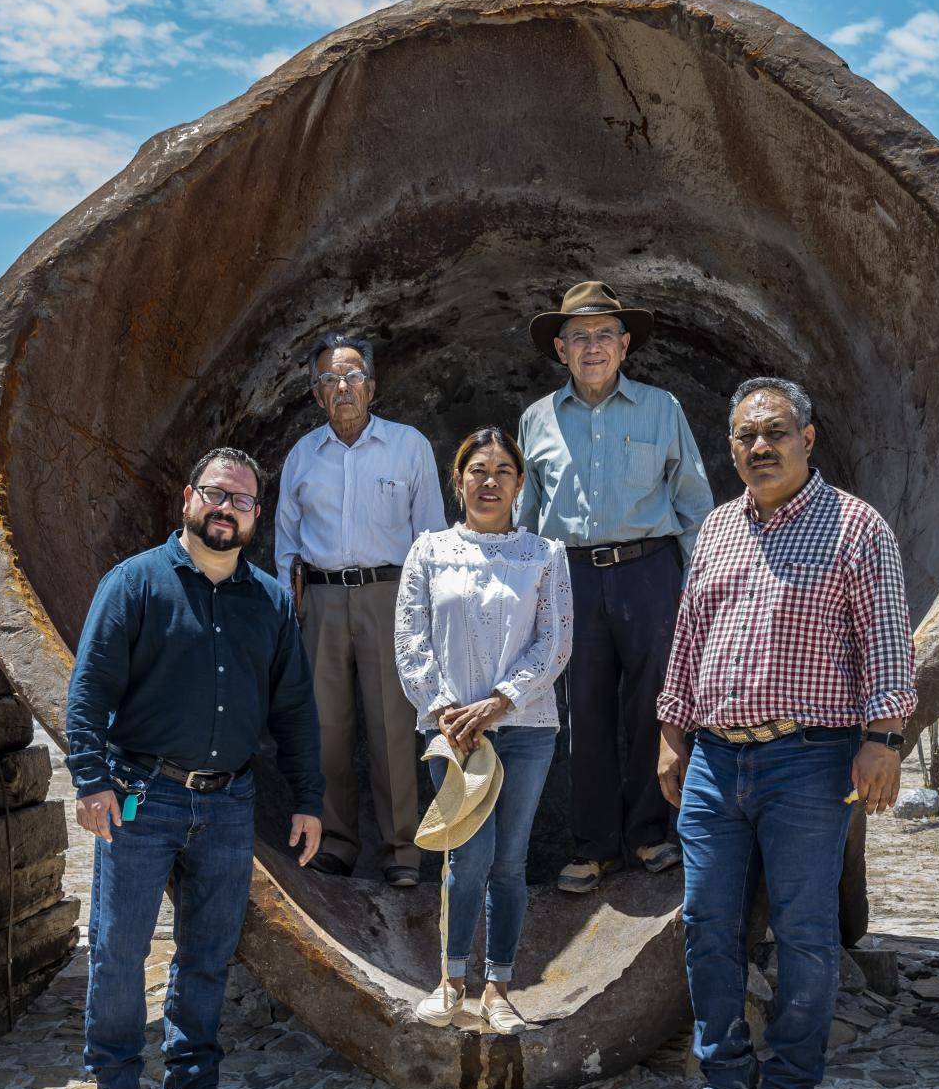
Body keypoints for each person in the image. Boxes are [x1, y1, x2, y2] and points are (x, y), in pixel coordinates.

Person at [654, 377, 916, 1089]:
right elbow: (690, 635)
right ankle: (725, 1081)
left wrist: (885, 739)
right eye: (744, 436)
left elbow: (888, 644)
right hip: (713, 757)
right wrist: (673, 730)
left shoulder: (856, 528)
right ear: (730, 447)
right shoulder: (718, 529)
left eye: (773, 432)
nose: (759, 447)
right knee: (706, 922)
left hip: (809, 758)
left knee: (804, 930)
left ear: (808, 437)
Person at [65, 447, 325, 1089]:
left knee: (208, 952)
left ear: (256, 516)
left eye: (241, 501)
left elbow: (295, 709)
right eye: (216, 494)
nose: (226, 509)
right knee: (119, 948)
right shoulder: (134, 585)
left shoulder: (269, 601)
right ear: (188, 497)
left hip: (227, 804)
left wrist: (309, 797)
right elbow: (89, 689)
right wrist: (90, 781)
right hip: (141, 797)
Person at [514, 280, 714, 895]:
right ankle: (594, 845)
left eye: (604, 335)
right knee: (582, 712)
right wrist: (523, 595)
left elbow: (693, 502)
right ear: (561, 349)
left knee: (655, 705)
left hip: (650, 570)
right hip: (569, 576)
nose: (592, 347)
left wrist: (701, 589)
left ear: (625, 345)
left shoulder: (663, 409)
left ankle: (650, 834)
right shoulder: (536, 419)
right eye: (579, 337)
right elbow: (526, 515)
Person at [395, 427, 573, 1034]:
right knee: (464, 858)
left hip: (523, 726)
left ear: (520, 484)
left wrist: (500, 701)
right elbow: (410, 637)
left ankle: (498, 986)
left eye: (502, 470)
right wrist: (446, 709)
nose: (489, 480)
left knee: (510, 860)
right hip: (455, 731)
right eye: (477, 469)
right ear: (458, 479)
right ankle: (450, 981)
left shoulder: (544, 556)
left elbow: (555, 642)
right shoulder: (428, 551)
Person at [275, 331, 445, 887]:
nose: (341, 386)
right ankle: (336, 843)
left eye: (350, 376)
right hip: (320, 599)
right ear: (317, 394)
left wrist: (428, 614)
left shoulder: (408, 445)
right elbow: (286, 545)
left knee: (394, 725)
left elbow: (432, 537)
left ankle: (402, 852)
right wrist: (289, 611)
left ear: (371, 386)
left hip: (389, 596)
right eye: (328, 379)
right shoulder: (302, 456)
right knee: (326, 727)